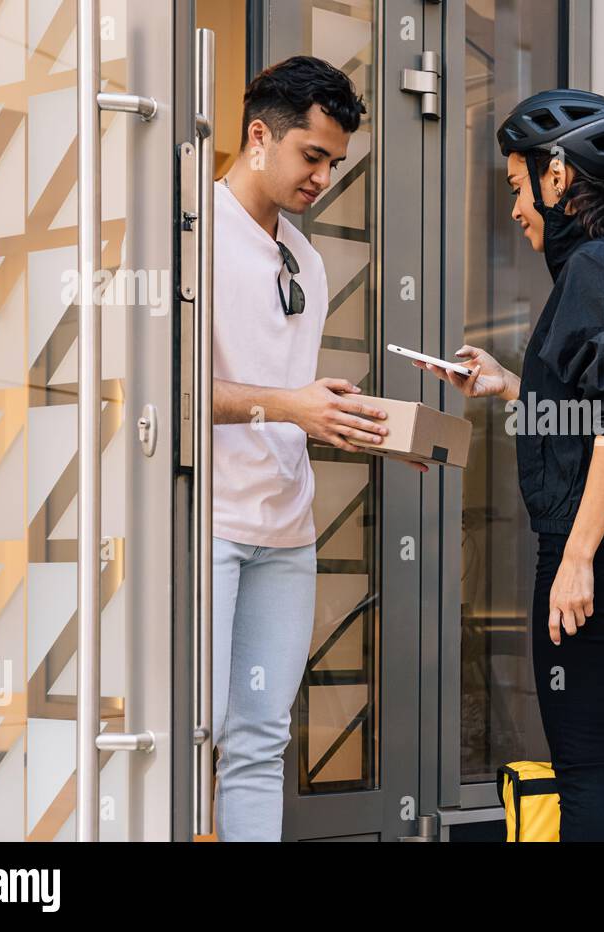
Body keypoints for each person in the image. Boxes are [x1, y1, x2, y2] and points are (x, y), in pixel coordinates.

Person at [418, 89, 604, 841]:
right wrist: (511, 385)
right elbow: (599, 411)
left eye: (518, 185)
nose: (516, 209)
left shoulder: (592, 270)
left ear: (557, 176)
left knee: (585, 776)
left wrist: (577, 557)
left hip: (600, 556)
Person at [210, 55, 423, 842]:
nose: (324, 177)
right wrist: (289, 404)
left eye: (336, 162)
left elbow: (288, 393)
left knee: (263, 738)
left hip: (287, 531)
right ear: (258, 136)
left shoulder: (310, 258)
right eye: (313, 156)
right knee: (191, 729)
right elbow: (172, 391)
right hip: (209, 524)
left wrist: (355, 422)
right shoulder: (189, 236)